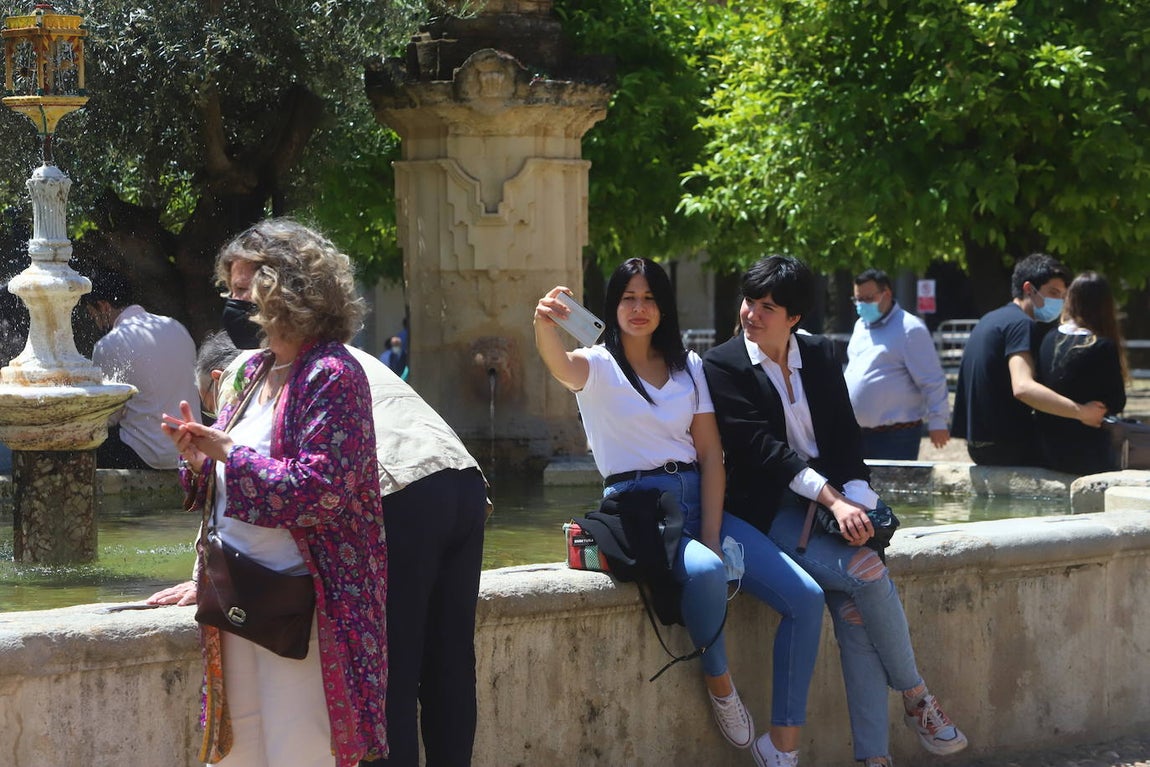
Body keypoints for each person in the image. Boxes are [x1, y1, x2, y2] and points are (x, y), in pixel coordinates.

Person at [206, 236, 489, 767]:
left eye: (245, 291)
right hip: (457, 475)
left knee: (391, 673)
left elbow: (307, 483)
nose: (235, 303)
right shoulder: (291, 365)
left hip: (399, 488)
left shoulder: (303, 370)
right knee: (450, 661)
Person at [535, 258, 825, 767]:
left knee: (806, 597)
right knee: (708, 571)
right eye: (628, 297)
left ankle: (782, 746)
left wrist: (711, 530)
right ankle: (720, 684)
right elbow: (561, 368)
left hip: (697, 497)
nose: (639, 308)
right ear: (613, 305)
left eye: (649, 298)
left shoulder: (688, 366)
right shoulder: (596, 364)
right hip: (642, 507)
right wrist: (543, 325)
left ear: (663, 306)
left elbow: (711, 454)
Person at [703, 255, 967, 767]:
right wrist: (834, 500)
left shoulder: (820, 354)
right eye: (749, 302)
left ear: (794, 317)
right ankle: (917, 698)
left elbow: (846, 440)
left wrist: (859, 503)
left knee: (852, 610)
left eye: (767, 307)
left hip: (831, 503)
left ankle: (875, 759)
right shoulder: (723, 365)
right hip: (768, 508)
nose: (751, 314)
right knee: (866, 577)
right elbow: (765, 452)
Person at [150, 219, 388, 767]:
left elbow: (322, 491)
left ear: (287, 288)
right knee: (240, 752)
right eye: (229, 290)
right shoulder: (250, 372)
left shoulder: (332, 374)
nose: (234, 303)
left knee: (299, 751)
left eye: (243, 289)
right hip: (237, 599)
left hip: (305, 605)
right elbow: (229, 484)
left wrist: (229, 453)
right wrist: (198, 458)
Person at [951, 253, 1107, 466]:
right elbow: (1023, 387)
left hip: (977, 446)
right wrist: (1082, 412)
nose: (1058, 302)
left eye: (1062, 296)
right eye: (1053, 293)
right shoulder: (1022, 325)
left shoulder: (991, 319)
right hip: (1006, 447)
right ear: (1028, 289)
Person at [81, 267, 200, 469]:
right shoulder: (176, 327)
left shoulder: (110, 344)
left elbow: (108, 415)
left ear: (103, 306)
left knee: (83, 442)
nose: (96, 323)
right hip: (191, 449)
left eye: (94, 316)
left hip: (149, 455)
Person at [844, 269, 950, 460]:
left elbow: (932, 379)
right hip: (857, 434)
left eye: (868, 298)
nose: (861, 305)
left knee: (893, 490)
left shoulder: (910, 328)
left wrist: (938, 421)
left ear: (887, 294)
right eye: (857, 299)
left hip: (896, 436)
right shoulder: (860, 326)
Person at [1036, 272, 1129, 475]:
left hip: (1047, 449)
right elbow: (1117, 401)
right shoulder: (1102, 346)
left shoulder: (1049, 337)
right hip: (1086, 453)